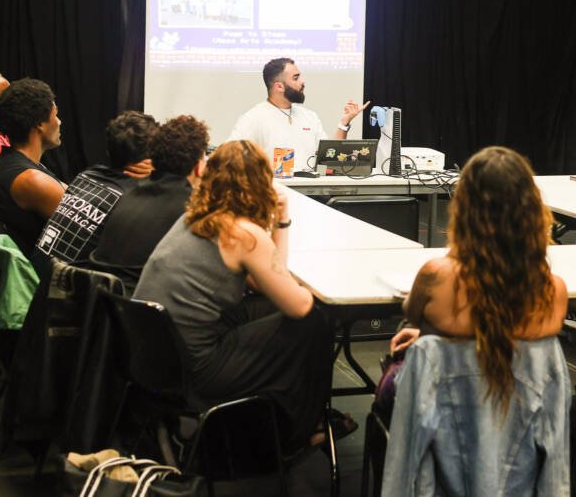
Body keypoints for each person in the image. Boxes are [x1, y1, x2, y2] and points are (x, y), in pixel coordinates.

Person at [383, 146, 570, 493]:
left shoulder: (436, 276)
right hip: (522, 468)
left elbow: (414, 312)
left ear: (464, 208)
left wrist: (430, 339)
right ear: (530, 210)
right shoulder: (552, 292)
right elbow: (506, 336)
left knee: (409, 349)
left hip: (441, 463)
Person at [132, 140, 336, 452]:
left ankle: (286, 408)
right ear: (260, 184)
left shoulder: (196, 216)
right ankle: (304, 427)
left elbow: (258, 281)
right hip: (198, 371)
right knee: (315, 319)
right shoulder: (243, 233)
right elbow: (298, 305)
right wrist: (281, 219)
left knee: (265, 305)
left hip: (161, 360)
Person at [91, 115, 210, 290]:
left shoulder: (129, 193)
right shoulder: (190, 208)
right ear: (199, 167)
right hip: (138, 307)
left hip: (101, 300)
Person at [34, 110, 157, 264]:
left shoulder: (86, 176)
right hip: (66, 284)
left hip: (37, 278)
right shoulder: (132, 202)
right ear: (148, 161)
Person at [228, 57, 370, 172]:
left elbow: (329, 156)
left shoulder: (310, 116)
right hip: (273, 196)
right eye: (295, 78)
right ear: (279, 86)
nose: (303, 82)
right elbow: (230, 159)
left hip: (314, 195)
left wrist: (344, 124)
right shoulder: (253, 118)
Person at [0, 78, 67, 252]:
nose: (59, 122)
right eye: (55, 115)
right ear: (39, 123)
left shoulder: (13, 163)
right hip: (46, 275)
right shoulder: (31, 180)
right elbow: (93, 228)